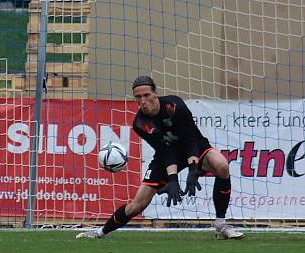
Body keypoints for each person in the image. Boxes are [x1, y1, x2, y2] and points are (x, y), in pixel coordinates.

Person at [77, 76, 244, 240]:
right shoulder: (140, 123)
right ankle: (100, 233)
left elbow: (190, 138)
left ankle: (221, 225)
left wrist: (193, 169)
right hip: (168, 155)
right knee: (137, 205)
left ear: (155, 93)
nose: (143, 101)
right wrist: (172, 179)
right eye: (138, 97)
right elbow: (165, 150)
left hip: (193, 146)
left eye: (146, 95)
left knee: (221, 166)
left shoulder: (174, 105)